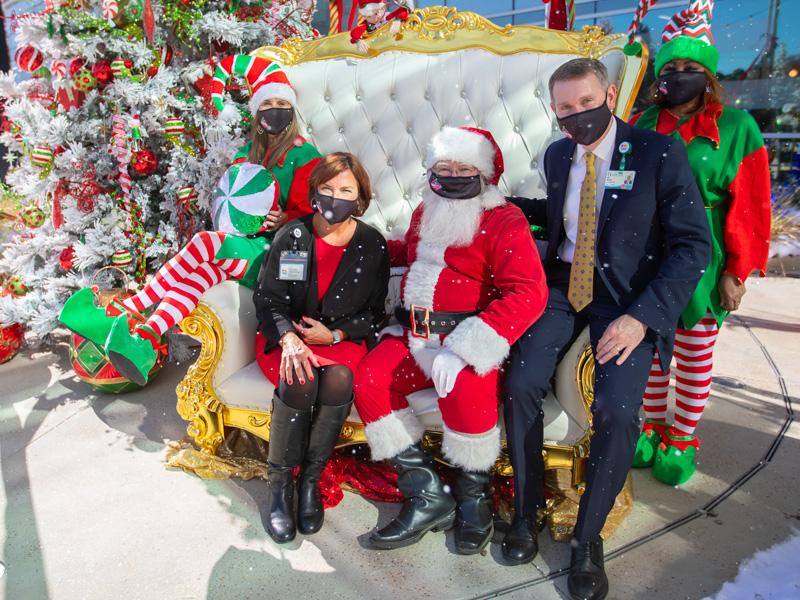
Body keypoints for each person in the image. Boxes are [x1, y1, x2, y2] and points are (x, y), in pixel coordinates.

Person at [502, 58, 711, 600]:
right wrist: (497, 204)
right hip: (561, 286)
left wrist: (643, 317)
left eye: (586, 102)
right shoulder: (556, 154)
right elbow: (562, 216)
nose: (576, 115)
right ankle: (525, 512)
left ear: (611, 93)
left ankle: (588, 538)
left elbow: (693, 245)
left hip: (626, 298)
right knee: (521, 383)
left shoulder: (657, 152)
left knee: (617, 412)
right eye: (565, 107)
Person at [59, 56, 320, 385]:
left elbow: (314, 215)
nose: (274, 109)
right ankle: (145, 339)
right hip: (245, 248)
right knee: (203, 271)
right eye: (266, 103)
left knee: (204, 242)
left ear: (292, 110)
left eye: (281, 103)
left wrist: (285, 217)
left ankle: (128, 308)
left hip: (277, 254)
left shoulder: (304, 155)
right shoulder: (245, 154)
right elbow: (228, 208)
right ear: (256, 112)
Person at [353, 127, 548, 555]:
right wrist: (361, 243)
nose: (454, 175)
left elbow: (529, 293)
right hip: (412, 333)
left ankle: (474, 498)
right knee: (369, 379)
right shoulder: (428, 208)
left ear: (486, 173)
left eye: (464, 168)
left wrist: (464, 349)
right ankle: (427, 496)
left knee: (465, 390)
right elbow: (415, 252)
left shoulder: (504, 220)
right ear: (431, 172)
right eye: (444, 168)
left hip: (467, 336)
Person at [627, 0, 771, 485]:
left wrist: (736, 270)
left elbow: (751, 204)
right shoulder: (644, 124)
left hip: (704, 254)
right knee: (646, 349)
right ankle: (648, 427)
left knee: (693, 350)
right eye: (671, 67)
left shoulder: (736, 127)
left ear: (708, 77)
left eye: (691, 68)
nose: (679, 75)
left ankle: (683, 436)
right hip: (648, 249)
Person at [254, 152, 390, 544]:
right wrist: (290, 338)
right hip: (286, 338)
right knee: (300, 376)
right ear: (314, 193)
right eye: (327, 189)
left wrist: (334, 336)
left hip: (340, 342)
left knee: (339, 378)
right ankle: (280, 484)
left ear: (360, 197)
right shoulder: (292, 235)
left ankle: (310, 479)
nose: (335, 197)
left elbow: (374, 313)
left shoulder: (371, 244)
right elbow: (268, 300)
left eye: (346, 190)